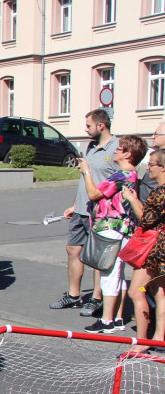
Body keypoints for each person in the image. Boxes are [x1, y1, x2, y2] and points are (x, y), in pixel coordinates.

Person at [50, 109, 118, 318]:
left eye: (88, 126)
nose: (85, 129)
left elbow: (116, 182)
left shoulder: (116, 149)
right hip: (81, 209)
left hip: (99, 213)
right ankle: (73, 295)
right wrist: (74, 204)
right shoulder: (90, 147)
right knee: (73, 250)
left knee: (97, 257)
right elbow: (84, 180)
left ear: (101, 126)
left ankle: (97, 299)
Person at [80, 135, 145, 334]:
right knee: (117, 273)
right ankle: (117, 317)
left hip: (111, 228)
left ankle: (106, 320)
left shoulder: (122, 175)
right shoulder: (130, 175)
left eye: (119, 149)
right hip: (123, 229)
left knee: (109, 273)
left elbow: (93, 194)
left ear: (128, 154)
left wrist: (87, 172)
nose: (115, 151)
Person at [124, 148, 165, 347]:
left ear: (163, 168)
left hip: (154, 250)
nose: (148, 168)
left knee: (136, 291)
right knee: (159, 291)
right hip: (162, 250)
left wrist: (133, 200)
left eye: (152, 165)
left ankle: (142, 342)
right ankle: (159, 336)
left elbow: (146, 221)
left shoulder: (160, 192)